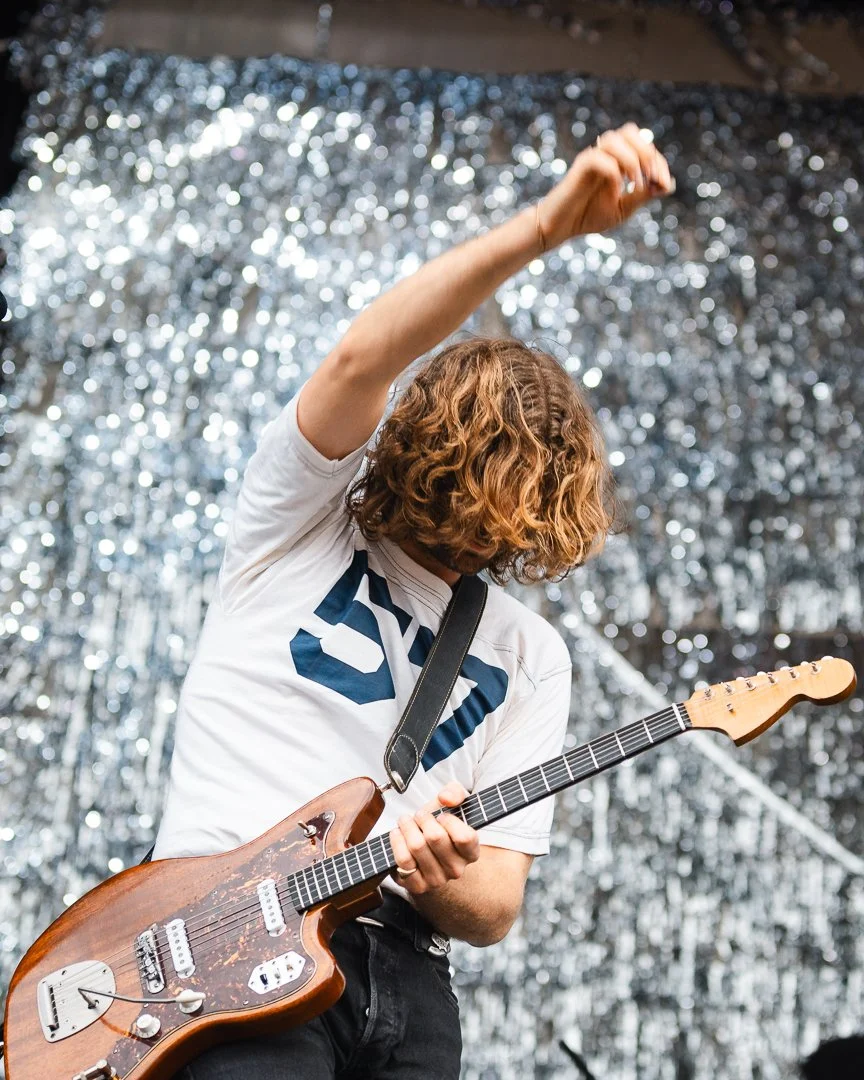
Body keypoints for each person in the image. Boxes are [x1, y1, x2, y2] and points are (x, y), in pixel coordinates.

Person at [158, 122, 674, 1078]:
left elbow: (495, 907)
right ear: (422, 452)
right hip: (228, 941)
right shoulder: (300, 519)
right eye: (471, 493)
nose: (485, 537)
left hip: (408, 989)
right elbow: (361, 359)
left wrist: (444, 872)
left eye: (515, 515)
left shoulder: (530, 653)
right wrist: (546, 229)